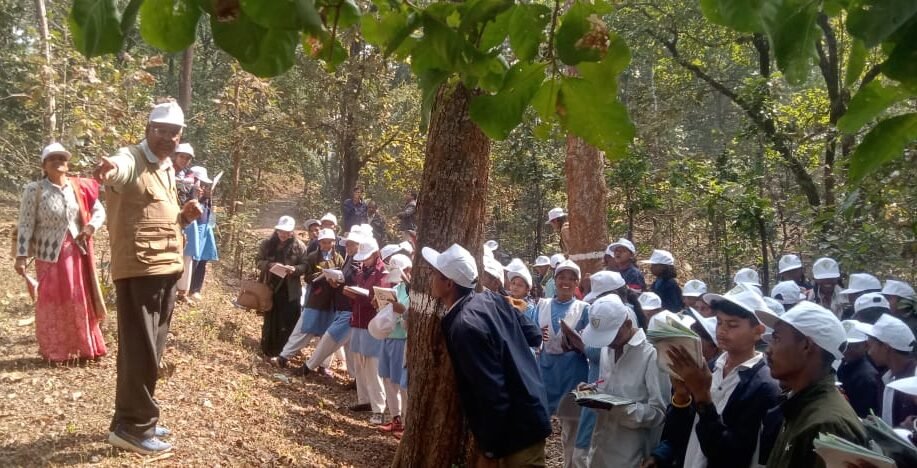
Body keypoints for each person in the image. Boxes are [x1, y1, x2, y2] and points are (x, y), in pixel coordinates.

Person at [96, 101, 203, 454]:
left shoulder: (166, 166)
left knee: (149, 351)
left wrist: (184, 217)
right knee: (140, 350)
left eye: (174, 133)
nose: (168, 138)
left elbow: (158, 214)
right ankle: (135, 428)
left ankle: (133, 418)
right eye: (161, 130)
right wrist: (110, 169)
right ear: (148, 129)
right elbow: (120, 169)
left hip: (165, 268)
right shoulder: (131, 158)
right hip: (139, 269)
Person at [425, 243, 551, 465]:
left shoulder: (465, 327)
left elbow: (491, 390)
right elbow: (533, 335)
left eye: (435, 273)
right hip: (527, 412)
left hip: (515, 431)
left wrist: (492, 448)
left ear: (448, 283)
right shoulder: (490, 299)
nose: (430, 278)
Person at [664, 288, 781, 468]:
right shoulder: (709, 368)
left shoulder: (764, 386)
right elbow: (679, 434)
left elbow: (730, 456)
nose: (722, 331)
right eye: (719, 322)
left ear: (758, 331)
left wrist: (703, 397)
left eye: (732, 325)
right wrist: (681, 397)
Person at [15, 142, 107, 362]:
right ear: (44, 165)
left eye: (62, 159)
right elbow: (26, 224)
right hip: (48, 256)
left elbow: (99, 210)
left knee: (77, 298)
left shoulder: (78, 187)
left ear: (67, 164)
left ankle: (83, 348)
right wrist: (21, 256)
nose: (58, 162)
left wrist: (90, 227)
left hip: (75, 253)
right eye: (53, 159)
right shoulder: (34, 190)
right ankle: (56, 351)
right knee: (51, 301)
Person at [753, 301, 868, 468]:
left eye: (776, 339)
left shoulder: (826, 424)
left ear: (806, 345)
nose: (768, 350)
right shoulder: (800, 405)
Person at [579, 295, 667, 466]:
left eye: (613, 337)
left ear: (627, 324)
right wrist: (594, 394)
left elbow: (659, 414)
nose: (609, 343)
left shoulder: (651, 354)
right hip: (600, 448)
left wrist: (617, 408)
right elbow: (608, 388)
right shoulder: (607, 349)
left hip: (630, 455)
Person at [534, 259, 589, 467]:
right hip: (546, 373)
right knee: (537, 425)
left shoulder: (584, 309)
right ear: (554, 280)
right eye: (561, 277)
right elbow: (530, 335)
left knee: (572, 429)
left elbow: (592, 342)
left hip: (573, 374)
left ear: (577, 283)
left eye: (571, 278)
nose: (565, 282)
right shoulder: (541, 305)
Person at [269, 228, 344, 370]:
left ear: (333, 243)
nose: (326, 245)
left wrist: (335, 281)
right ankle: (284, 357)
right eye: (323, 243)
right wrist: (320, 276)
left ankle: (324, 366)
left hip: (331, 302)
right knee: (303, 329)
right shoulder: (312, 257)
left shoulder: (338, 258)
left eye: (329, 242)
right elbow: (307, 277)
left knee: (327, 335)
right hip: (315, 300)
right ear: (319, 243)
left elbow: (341, 277)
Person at [295, 230, 362, 380]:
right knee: (349, 346)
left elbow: (355, 282)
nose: (349, 247)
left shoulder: (359, 262)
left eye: (352, 244)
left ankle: (308, 367)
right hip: (342, 306)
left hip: (350, 308)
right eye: (348, 244)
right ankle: (355, 379)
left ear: (360, 246)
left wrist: (338, 284)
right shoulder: (349, 258)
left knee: (329, 338)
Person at [345, 235, 388, 424]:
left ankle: (378, 408)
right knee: (360, 362)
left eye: (367, 257)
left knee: (372, 366)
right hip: (358, 321)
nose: (363, 261)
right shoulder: (362, 272)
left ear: (376, 254)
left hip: (371, 323)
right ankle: (364, 400)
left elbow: (383, 296)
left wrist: (370, 297)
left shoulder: (382, 273)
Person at [256, 216, 309, 357]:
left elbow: (305, 265)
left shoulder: (299, 246)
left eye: (287, 232)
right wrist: (269, 265)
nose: (283, 234)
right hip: (271, 287)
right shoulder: (267, 244)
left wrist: (294, 269)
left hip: (290, 289)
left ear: (292, 232)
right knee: (271, 318)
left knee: (289, 319)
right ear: (277, 230)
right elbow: (258, 261)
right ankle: (268, 348)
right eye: (281, 231)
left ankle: (284, 352)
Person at [374, 253, 411, 438]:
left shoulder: (413, 293)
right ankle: (395, 417)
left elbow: (409, 319)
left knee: (400, 382)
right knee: (388, 379)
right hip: (388, 336)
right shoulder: (397, 287)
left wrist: (401, 311)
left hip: (401, 339)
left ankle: (405, 422)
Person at [860, 313, 917, 427]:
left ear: (886, 347)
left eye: (872, 346)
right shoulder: (886, 378)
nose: (869, 352)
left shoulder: (914, 379)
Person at [185, 166, 218, 302]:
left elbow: (209, 213)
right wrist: (194, 196)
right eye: (200, 183)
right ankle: (186, 289)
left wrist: (208, 198)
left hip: (205, 228)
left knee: (202, 259)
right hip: (193, 228)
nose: (203, 187)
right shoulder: (186, 194)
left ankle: (196, 289)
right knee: (191, 259)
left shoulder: (205, 197)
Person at [837, 320, 883, 418]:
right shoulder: (845, 364)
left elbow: (865, 414)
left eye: (853, 346)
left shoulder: (866, 377)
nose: (846, 351)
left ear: (866, 345)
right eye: (844, 346)